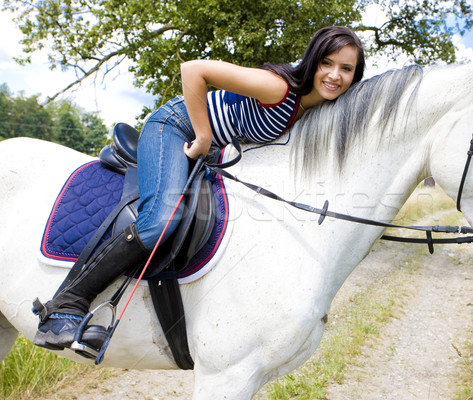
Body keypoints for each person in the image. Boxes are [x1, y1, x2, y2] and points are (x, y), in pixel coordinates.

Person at [32, 26, 365, 350]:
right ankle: (66, 304)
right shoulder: (276, 88)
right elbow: (194, 70)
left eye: (346, 69)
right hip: (174, 126)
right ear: (312, 61)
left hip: (210, 148)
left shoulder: (317, 107)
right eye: (327, 63)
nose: (335, 75)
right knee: (160, 221)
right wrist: (204, 136)